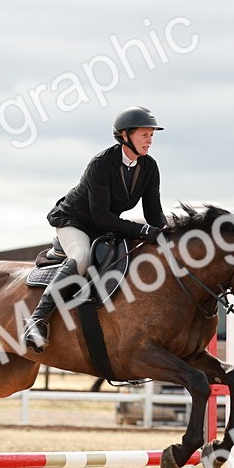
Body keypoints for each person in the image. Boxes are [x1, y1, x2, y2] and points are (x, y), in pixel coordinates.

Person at [23, 105, 168, 353]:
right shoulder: (101, 164)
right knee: (81, 257)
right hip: (74, 221)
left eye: (151, 135)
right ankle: (37, 320)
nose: (150, 140)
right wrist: (142, 231)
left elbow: (153, 212)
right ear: (125, 135)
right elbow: (100, 215)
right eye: (144, 134)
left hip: (105, 227)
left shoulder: (149, 167)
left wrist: (167, 235)